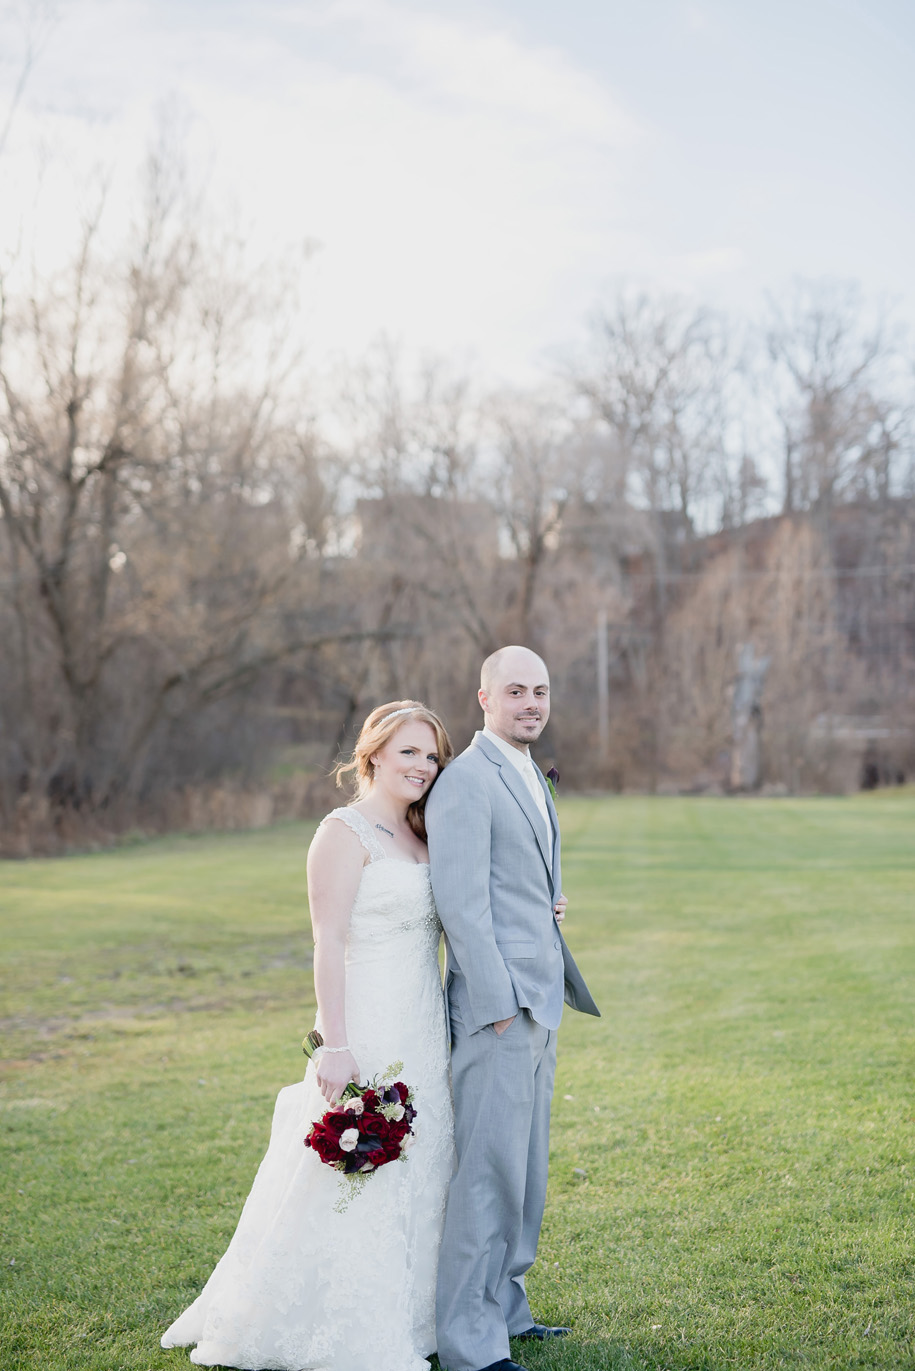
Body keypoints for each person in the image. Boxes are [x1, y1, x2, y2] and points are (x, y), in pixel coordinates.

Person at [161, 700, 455, 1371]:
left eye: (432, 755)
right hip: (366, 1023)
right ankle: (334, 1321)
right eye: (409, 751)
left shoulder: (421, 831)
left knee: (425, 1159)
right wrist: (335, 1043)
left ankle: (417, 1314)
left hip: (422, 1021)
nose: (422, 766)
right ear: (373, 751)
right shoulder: (341, 832)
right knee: (354, 1166)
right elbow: (326, 942)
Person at [426, 646, 600, 1371]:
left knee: (525, 1170)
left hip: (540, 1000)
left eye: (541, 691)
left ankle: (506, 1306)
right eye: (516, 691)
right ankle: (469, 1343)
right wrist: (497, 1008)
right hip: (499, 1009)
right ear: (484, 698)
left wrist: (548, 906)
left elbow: (515, 879)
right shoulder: (467, 779)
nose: (531, 702)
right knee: (486, 1174)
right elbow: (460, 905)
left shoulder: (527, 770)